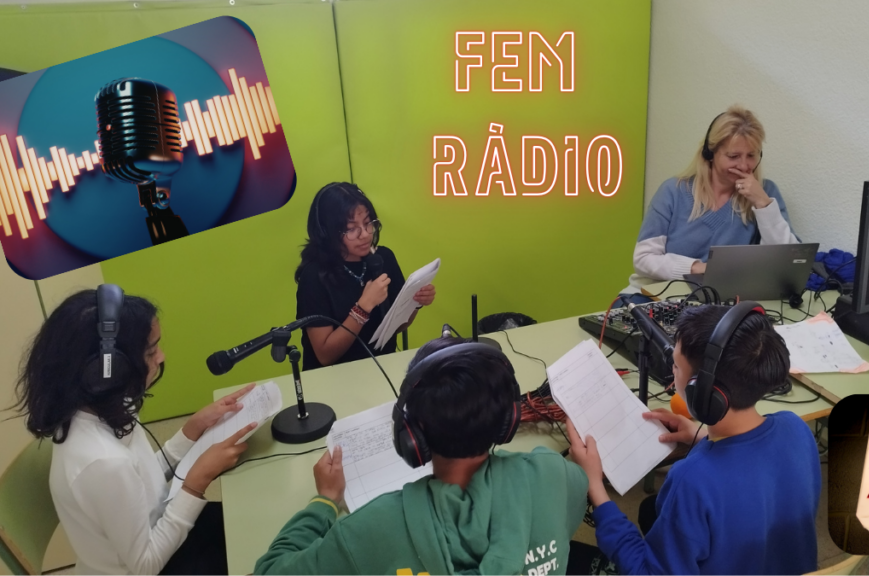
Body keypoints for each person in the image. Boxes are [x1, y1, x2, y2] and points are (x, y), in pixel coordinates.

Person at [254, 338, 589, 575]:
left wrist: (324, 502)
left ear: (412, 436)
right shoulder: (554, 475)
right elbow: (573, 504)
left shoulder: (371, 529)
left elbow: (270, 571)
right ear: (508, 420)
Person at [13, 285, 257, 575]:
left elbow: (142, 483)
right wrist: (197, 481)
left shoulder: (107, 406)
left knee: (251, 522)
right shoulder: (101, 462)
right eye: (151, 351)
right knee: (264, 557)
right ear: (108, 368)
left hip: (156, 533)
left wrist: (191, 431)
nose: (161, 357)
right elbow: (145, 565)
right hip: (147, 566)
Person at [568, 304, 820, 575]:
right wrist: (702, 436)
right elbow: (747, 473)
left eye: (676, 366)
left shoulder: (690, 480)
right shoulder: (796, 428)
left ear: (703, 392)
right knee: (651, 510)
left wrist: (595, 487)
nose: (672, 370)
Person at [620, 105, 800, 299]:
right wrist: (698, 268)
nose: (744, 166)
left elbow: (789, 265)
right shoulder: (673, 191)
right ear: (710, 154)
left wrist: (763, 204)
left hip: (721, 301)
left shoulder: (766, 193)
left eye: (751, 155)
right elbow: (644, 259)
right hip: (655, 296)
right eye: (733, 156)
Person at [295, 182, 435, 370]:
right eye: (351, 228)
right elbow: (325, 355)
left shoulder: (383, 258)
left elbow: (398, 326)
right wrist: (363, 308)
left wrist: (415, 303)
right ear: (326, 232)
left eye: (368, 223)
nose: (365, 234)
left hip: (383, 370)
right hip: (333, 377)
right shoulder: (314, 276)